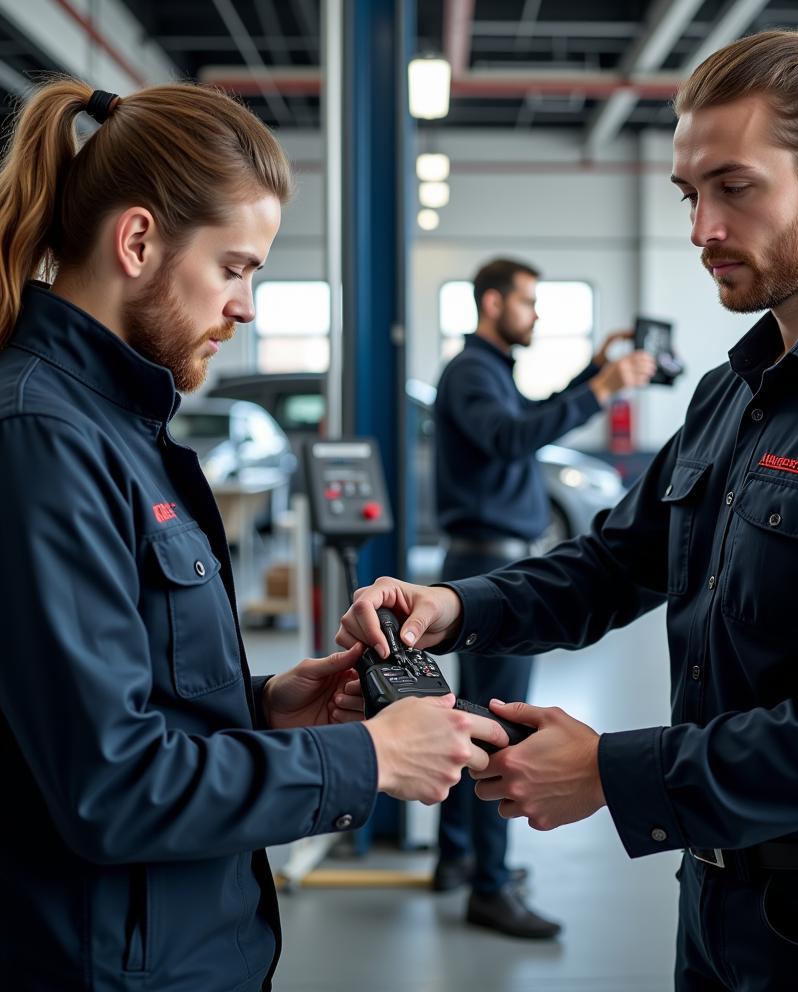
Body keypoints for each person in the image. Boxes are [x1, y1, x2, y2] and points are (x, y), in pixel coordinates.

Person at [337, 30, 798, 991]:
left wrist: (613, 776)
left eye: (734, 188)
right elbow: (617, 562)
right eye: (689, 194)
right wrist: (455, 608)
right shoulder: (732, 392)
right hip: (715, 897)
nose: (701, 226)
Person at [0, 81, 508, 992]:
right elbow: (109, 787)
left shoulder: (119, 429)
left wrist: (269, 705)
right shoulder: (42, 440)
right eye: (234, 268)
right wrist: (369, 758)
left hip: (177, 942)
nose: (245, 307)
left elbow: (122, 697)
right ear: (139, 240)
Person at [430, 257, 656, 938]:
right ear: (492, 303)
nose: (534, 314)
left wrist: (593, 373)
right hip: (487, 564)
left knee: (469, 717)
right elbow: (512, 437)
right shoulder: (470, 373)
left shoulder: (490, 372)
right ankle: (489, 888)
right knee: (498, 729)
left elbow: (526, 414)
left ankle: (458, 859)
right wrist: (602, 391)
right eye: (527, 303)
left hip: (491, 560)